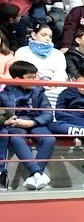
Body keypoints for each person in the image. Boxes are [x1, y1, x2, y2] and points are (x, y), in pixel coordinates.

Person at [0, 60, 55, 190]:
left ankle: (35, 174)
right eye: (30, 77)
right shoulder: (4, 94)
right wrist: (6, 121)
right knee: (15, 138)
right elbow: (1, 115)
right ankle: (37, 174)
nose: (34, 80)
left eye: (35, 76)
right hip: (16, 124)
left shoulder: (39, 91)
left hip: (35, 122)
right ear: (17, 79)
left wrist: (33, 122)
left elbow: (48, 113)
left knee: (50, 139)